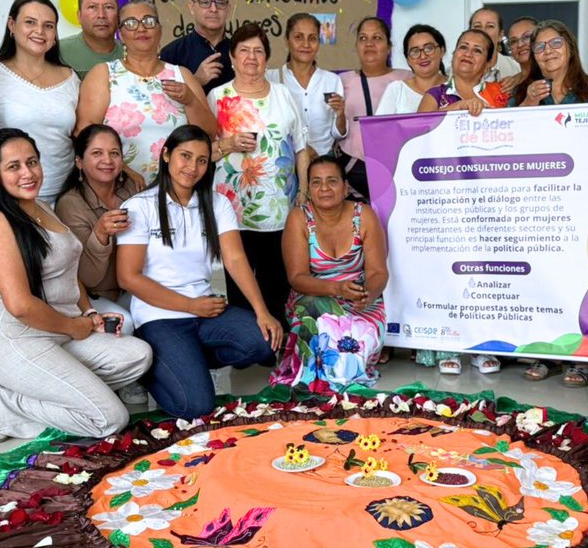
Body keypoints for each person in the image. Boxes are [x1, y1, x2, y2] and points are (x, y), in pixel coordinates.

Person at [0, 128, 151, 441]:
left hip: (61, 330)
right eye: (14, 167)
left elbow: (69, 270)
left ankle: (53, 395)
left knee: (138, 355)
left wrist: (89, 313)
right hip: (17, 338)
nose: (28, 173)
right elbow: (20, 305)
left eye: (32, 162)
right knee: (110, 419)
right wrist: (73, 326)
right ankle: (1, 403)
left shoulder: (41, 206)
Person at [116, 125, 280, 419]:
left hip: (205, 311)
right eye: (185, 156)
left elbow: (235, 258)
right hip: (160, 316)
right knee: (197, 406)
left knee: (263, 342)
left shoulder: (217, 203)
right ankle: (152, 369)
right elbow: (128, 277)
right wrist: (190, 305)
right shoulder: (140, 206)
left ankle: (186, 361)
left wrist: (262, 311)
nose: (192, 167)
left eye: (202, 160)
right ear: (167, 155)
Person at [519, 20, 588, 387]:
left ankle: (582, 356)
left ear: (569, 47)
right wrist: (528, 105)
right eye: (539, 47)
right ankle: (546, 351)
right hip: (542, 200)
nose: (547, 52)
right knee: (547, 271)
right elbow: (514, 144)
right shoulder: (527, 92)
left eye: (554, 44)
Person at [415, 28, 510, 375]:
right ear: (452, 54)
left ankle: (485, 344)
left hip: (490, 199)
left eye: (477, 50)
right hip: (446, 198)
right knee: (448, 270)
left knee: (487, 273)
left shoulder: (500, 96)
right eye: (463, 47)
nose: (468, 54)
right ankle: (449, 345)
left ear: (489, 61)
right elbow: (414, 137)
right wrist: (453, 110)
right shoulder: (435, 95)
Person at [208, 22, 314, 326]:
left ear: (267, 58)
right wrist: (229, 144)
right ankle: (245, 342)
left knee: (277, 284)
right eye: (244, 50)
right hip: (233, 210)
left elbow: (301, 148)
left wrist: (303, 192)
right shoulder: (216, 97)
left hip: (280, 208)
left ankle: (276, 344)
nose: (251, 57)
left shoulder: (283, 94)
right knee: (238, 288)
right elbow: (203, 154)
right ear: (232, 57)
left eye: (258, 51)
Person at [270, 156, 389, 388]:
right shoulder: (299, 218)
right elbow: (297, 278)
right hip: (313, 298)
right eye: (316, 182)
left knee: (354, 344)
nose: (324, 188)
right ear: (309, 189)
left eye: (332, 181)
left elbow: (378, 272)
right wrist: (337, 288)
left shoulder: (363, 215)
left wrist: (368, 295)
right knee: (321, 339)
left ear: (345, 187)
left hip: (360, 298)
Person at [75, 0, 215, 184]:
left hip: (175, 189)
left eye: (148, 21)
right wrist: (123, 170)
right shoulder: (105, 74)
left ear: (160, 30)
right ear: (120, 34)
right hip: (118, 185)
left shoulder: (181, 75)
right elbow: (84, 133)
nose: (141, 29)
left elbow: (209, 134)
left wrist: (191, 101)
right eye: (131, 23)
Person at [0, 0, 79, 200]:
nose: (40, 31)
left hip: (66, 196)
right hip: (11, 197)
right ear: (12, 25)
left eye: (49, 25)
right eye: (30, 22)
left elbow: (78, 135)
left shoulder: (70, 77)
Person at [54, 123, 140, 336]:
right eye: (97, 153)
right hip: (92, 296)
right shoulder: (70, 204)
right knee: (126, 323)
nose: (107, 160)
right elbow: (87, 279)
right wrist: (100, 234)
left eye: (114, 153)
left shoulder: (132, 189)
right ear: (79, 162)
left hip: (131, 285)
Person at [336, 17, 411, 200]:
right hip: (354, 171)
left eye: (377, 38)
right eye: (363, 38)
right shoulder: (342, 81)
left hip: (398, 170)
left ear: (389, 47)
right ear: (356, 46)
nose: (369, 44)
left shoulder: (407, 78)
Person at [266, 13, 346, 157]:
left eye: (312, 38)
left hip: (323, 161)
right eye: (298, 37)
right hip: (284, 161)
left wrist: (340, 114)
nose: (306, 44)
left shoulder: (332, 80)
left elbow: (338, 134)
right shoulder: (271, 79)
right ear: (287, 40)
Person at [159, 0, 234, 94]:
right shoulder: (171, 53)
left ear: (228, 9)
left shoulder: (241, 52)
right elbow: (163, 101)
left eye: (220, 3)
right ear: (191, 7)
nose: (213, 9)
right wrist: (195, 81)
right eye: (205, 2)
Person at [376, 24, 447, 115]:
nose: (423, 56)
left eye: (429, 48)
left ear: (442, 51)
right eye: (415, 51)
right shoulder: (397, 90)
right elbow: (379, 123)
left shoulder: (455, 88)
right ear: (408, 60)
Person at [58, 0, 122, 79]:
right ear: (79, 16)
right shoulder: (59, 53)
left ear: (118, 15)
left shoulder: (132, 53)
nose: (101, 15)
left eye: (108, 7)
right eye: (92, 7)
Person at [468, 7, 522, 91]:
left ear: (500, 35)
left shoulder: (517, 69)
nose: (483, 31)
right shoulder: (453, 72)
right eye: (477, 26)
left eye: (490, 26)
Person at [505, 16, 540, 106]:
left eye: (527, 37)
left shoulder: (553, 76)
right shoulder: (509, 84)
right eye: (513, 41)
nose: (520, 45)